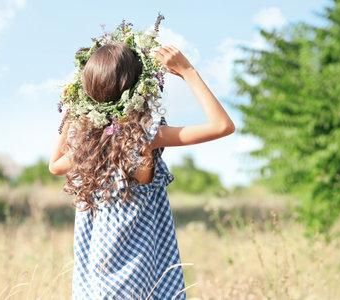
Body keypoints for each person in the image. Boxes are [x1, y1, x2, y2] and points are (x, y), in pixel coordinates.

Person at [49, 31, 234, 299]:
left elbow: (55, 165)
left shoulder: (90, 145)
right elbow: (223, 126)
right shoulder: (146, 135)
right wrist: (188, 71)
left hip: (96, 284)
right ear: (139, 86)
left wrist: (72, 108)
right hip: (135, 279)